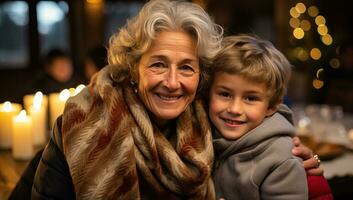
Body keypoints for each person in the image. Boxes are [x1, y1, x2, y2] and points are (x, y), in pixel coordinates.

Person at [9, 1, 323, 199]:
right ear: (133, 68)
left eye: (186, 67)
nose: (172, 83)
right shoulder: (83, 124)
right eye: (158, 64)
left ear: (201, 76)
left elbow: (262, 114)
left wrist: (298, 158)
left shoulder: (209, 116)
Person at [210, 35, 332, 199]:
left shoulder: (280, 160)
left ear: (272, 106)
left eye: (251, 98)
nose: (234, 109)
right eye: (225, 94)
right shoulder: (203, 134)